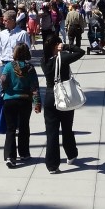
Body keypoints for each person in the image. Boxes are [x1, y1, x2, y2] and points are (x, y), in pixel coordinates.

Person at [41, 33, 84, 174]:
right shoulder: (63, 58)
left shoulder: (44, 60)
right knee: (67, 127)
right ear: (56, 45)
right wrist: (66, 46)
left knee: (51, 132)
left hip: (50, 96)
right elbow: (80, 52)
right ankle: (71, 153)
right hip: (64, 95)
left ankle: (52, 165)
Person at [0, 43, 42, 168]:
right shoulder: (30, 68)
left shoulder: (8, 66)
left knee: (11, 128)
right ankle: (24, 153)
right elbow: (35, 87)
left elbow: (3, 80)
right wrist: (37, 103)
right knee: (24, 127)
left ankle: (10, 156)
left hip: (10, 100)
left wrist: (5, 89)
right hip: (25, 100)